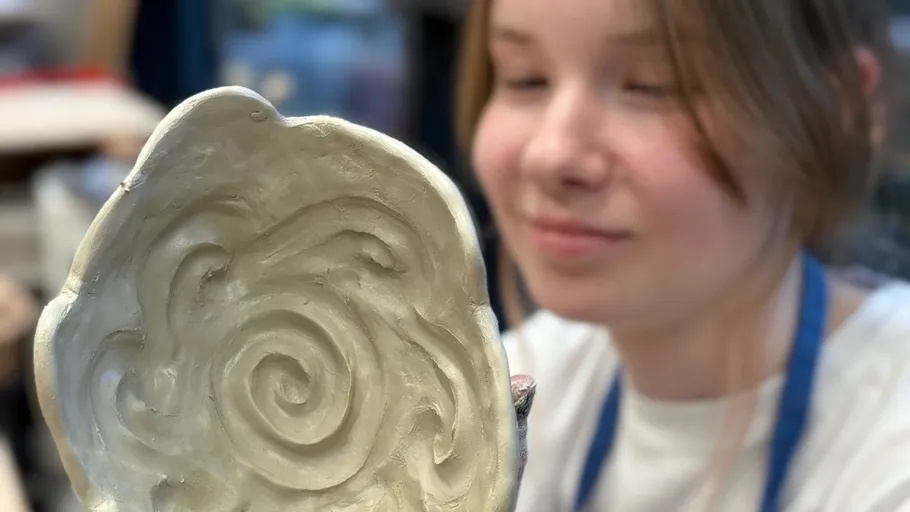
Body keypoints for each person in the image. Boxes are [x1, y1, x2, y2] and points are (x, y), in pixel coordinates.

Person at [455, 0, 910, 510]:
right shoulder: (507, 386)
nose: (550, 155)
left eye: (652, 86)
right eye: (525, 79)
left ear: (837, 109)